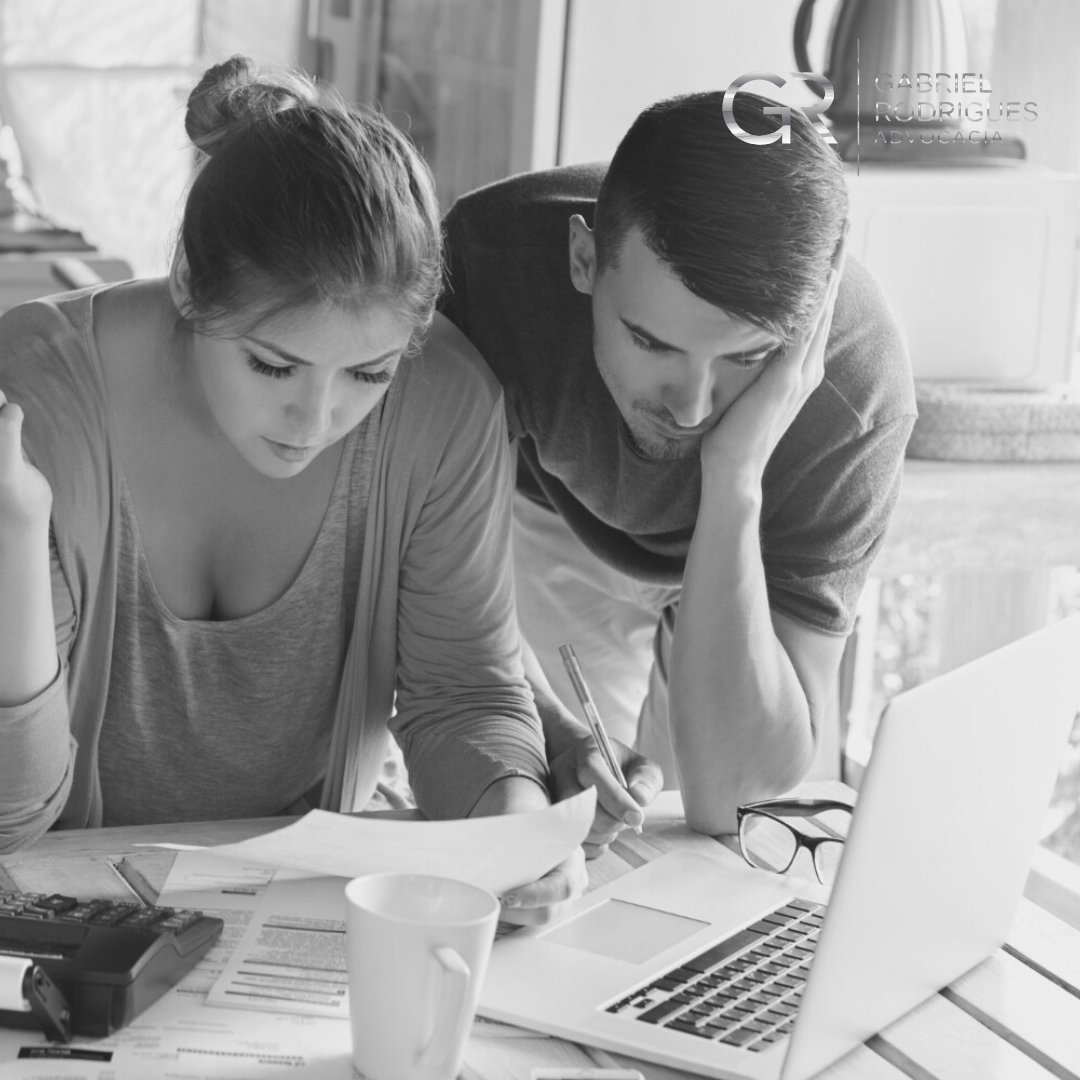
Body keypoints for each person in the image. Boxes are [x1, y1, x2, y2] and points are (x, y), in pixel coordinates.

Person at [0, 57, 580, 922]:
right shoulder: (37, 395)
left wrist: (511, 837)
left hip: (306, 916)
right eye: (275, 364)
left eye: (368, 374)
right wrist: (15, 530)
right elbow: (13, 816)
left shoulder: (446, 405)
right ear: (192, 285)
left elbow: (463, 691)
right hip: (61, 925)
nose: (316, 419)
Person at [439, 91, 917, 841]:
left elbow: (734, 795)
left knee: (708, 843)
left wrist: (733, 479)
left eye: (747, 359)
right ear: (584, 258)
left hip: (742, 553)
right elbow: (436, 591)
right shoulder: (486, 266)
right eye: (653, 344)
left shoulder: (859, 393)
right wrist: (552, 725)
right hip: (558, 512)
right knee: (570, 823)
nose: (693, 409)